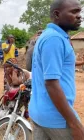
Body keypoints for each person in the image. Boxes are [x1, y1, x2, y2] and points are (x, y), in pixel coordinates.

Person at [29, 0, 84, 139]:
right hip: (56, 117)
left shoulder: (50, 36)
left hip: (41, 113)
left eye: (79, 11)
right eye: (74, 11)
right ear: (57, 14)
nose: (79, 16)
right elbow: (51, 83)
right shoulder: (55, 39)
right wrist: (74, 123)